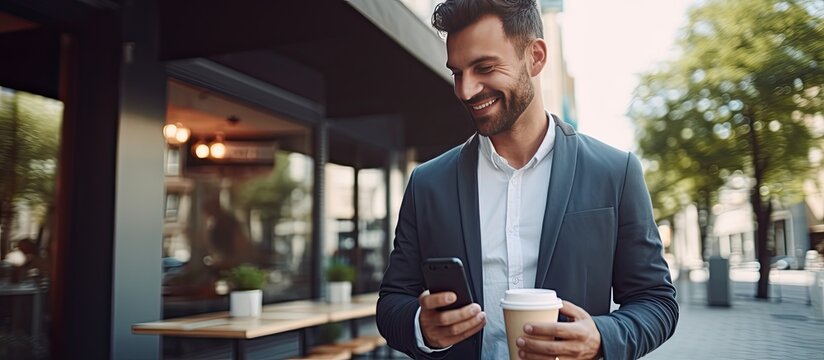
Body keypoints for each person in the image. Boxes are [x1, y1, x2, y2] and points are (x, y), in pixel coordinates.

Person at [376, 1, 678, 359]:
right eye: (457, 73)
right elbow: (392, 303)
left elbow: (656, 302)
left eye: (484, 68)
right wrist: (420, 326)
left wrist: (601, 337)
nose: (466, 90)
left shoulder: (615, 173)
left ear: (535, 57)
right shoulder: (427, 184)